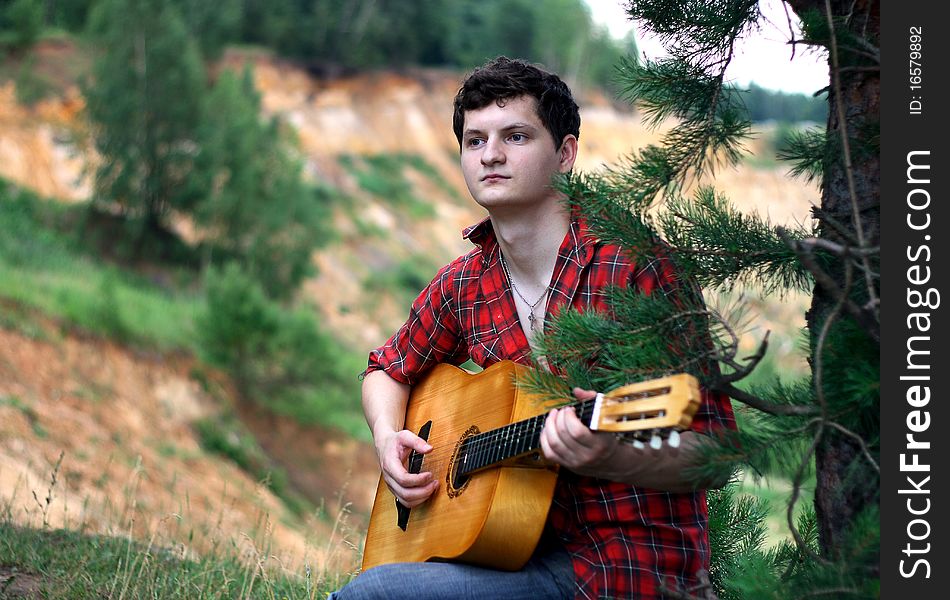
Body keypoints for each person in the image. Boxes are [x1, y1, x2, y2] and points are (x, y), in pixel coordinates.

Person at [332, 56, 736, 600]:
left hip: (625, 566)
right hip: (508, 552)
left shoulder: (634, 268)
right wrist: (388, 440)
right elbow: (386, 369)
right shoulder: (466, 281)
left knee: (373, 595)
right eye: (474, 141)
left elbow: (715, 449)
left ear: (565, 154)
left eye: (516, 136)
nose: (491, 155)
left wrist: (612, 455)